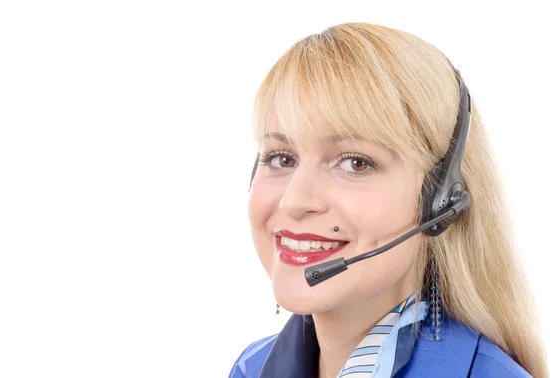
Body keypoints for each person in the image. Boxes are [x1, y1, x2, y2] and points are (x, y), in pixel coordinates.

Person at [228, 22, 548, 378]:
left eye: (355, 162)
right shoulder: (251, 367)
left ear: (440, 200)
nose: (294, 201)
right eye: (281, 158)